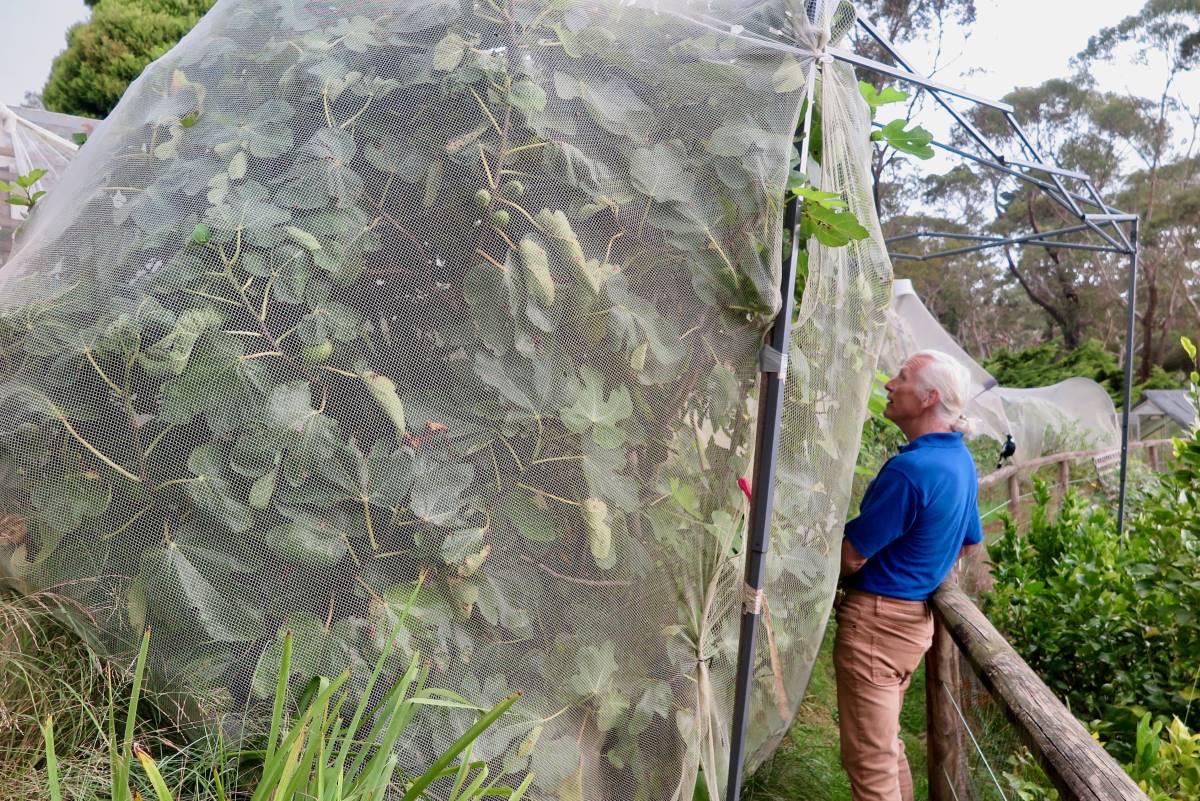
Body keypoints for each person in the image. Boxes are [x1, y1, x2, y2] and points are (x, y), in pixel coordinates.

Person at [835, 349, 983, 801]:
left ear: (928, 398)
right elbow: (969, 540)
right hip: (911, 625)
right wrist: (922, 567)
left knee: (871, 763)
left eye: (900, 378)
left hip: (876, 625)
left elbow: (850, 556)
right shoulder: (959, 461)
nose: (889, 385)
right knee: (885, 748)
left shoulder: (911, 470)